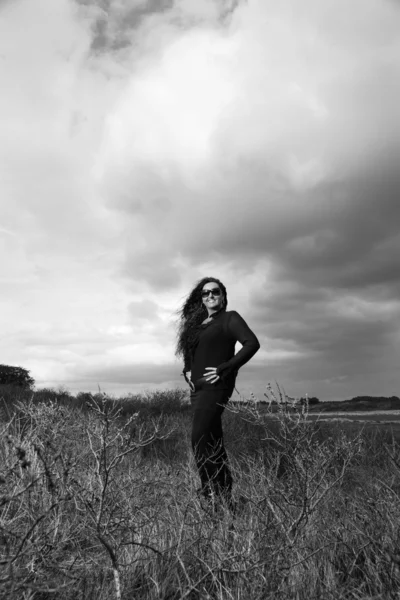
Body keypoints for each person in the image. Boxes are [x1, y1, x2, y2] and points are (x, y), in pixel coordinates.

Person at [174, 277, 260, 511]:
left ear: (223, 295)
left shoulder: (230, 318)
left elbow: (252, 344)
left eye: (215, 292)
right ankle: (225, 497)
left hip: (217, 387)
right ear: (200, 299)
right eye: (205, 294)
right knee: (213, 442)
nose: (210, 296)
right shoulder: (198, 324)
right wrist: (187, 371)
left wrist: (225, 368)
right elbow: (191, 353)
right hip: (198, 391)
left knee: (199, 439)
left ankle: (210, 491)